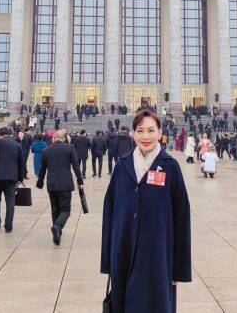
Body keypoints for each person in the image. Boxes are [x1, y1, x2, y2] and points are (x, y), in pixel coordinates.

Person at [101, 110, 191, 312]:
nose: (145, 136)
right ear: (133, 133)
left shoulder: (170, 167)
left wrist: (179, 269)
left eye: (151, 130)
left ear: (160, 133)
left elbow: (182, 218)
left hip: (158, 256)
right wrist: (108, 261)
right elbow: (109, 213)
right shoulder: (122, 166)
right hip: (124, 253)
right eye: (140, 130)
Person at [36, 129, 83, 245]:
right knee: (65, 210)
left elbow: (42, 169)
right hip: (65, 183)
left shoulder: (46, 150)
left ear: (53, 138)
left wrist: (40, 182)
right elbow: (76, 165)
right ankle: (57, 227)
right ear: (65, 139)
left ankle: (57, 233)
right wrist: (79, 180)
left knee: (55, 209)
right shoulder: (70, 148)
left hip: (52, 183)